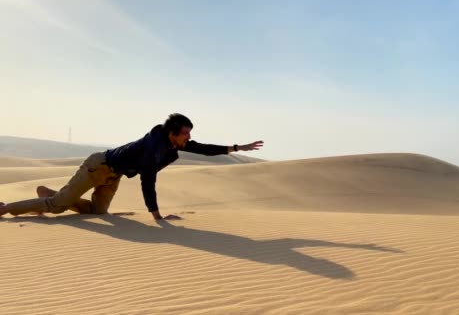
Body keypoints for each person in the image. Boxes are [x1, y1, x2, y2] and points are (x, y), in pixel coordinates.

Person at [0, 113, 264, 220]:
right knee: (57, 208)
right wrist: (157, 216)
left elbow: (204, 148)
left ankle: (50, 194)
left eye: (189, 133)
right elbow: (147, 180)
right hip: (98, 167)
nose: (188, 138)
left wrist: (237, 148)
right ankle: (6, 208)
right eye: (185, 133)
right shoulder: (154, 145)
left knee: (96, 212)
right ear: (172, 132)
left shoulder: (174, 145)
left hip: (112, 175)